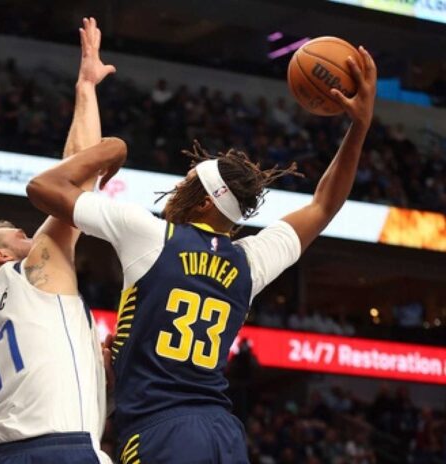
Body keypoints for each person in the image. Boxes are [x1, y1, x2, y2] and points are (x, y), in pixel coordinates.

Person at [26, 47, 377, 463]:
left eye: (186, 184)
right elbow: (323, 206)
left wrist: (111, 149)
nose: (175, 190)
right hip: (222, 433)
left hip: (161, 430)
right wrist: (359, 126)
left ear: (205, 202)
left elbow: (41, 188)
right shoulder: (250, 261)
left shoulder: (150, 234)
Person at [0, 17, 114, 464]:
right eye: (21, 234)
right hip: (57, 450)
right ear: (1, 254)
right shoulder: (28, 275)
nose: (32, 233)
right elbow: (75, 184)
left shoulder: (3, 311)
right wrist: (85, 86)